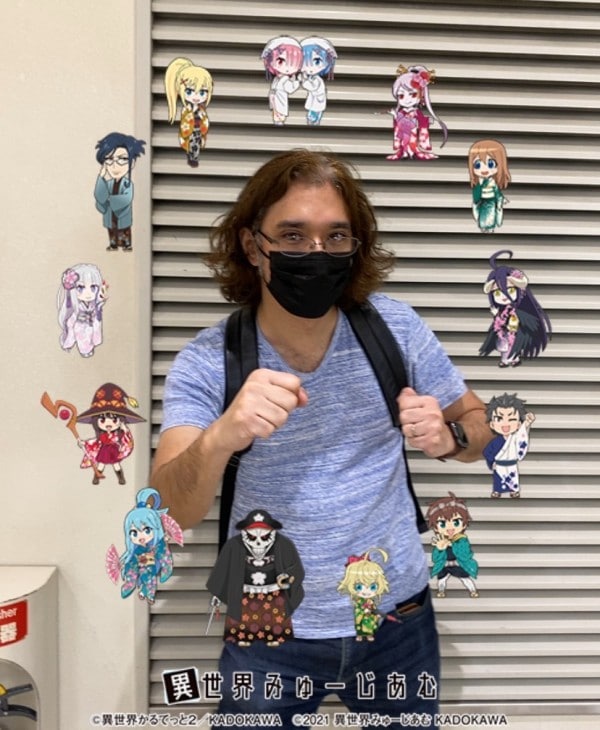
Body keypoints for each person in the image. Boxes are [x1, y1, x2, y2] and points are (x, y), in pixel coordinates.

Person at [151, 148, 492, 727]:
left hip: (396, 620)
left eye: (335, 237)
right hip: (267, 628)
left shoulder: (395, 329)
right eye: (292, 235)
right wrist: (221, 436)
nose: (316, 253)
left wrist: (451, 435)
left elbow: (481, 427)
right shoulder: (209, 361)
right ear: (252, 245)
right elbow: (167, 511)